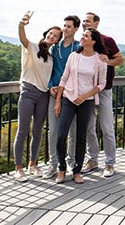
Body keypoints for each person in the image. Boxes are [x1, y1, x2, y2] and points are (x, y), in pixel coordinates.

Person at [54, 28, 107, 184]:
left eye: (86, 36)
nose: (82, 38)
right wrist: (58, 101)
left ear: (93, 41)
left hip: (87, 102)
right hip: (68, 99)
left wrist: (85, 96)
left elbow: (102, 84)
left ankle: (77, 171)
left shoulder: (99, 60)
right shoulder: (74, 56)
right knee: (61, 135)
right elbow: (64, 79)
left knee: (81, 137)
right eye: (83, 35)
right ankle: (61, 168)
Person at [14, 11, 62, 182]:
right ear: (46, 33)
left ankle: (32, 164)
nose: (52, 36)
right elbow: (22, 38)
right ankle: (18, 168)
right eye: (51, 33)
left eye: (56, 36)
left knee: (37, 131)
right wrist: (21, 25)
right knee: (23, 130)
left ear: (57, 40)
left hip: (43, 95)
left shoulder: (51, 57)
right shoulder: (32, 47)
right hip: (28, 92)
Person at [81, 12, 124, 178]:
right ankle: (92, 160)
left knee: (106, 127)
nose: (85, 23)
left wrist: (108, 61)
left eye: (88, 21)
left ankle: (109, 163)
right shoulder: (83, 42)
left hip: (104, 90)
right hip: (87, 91)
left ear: (97, 23)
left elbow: (120, 60)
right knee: (89, 127)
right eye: (83, 21)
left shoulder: (107, 40)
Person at [42, 15, 81, 179]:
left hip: (71, 96)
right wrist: (51, 86)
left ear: (76, 29)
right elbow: (49, 69)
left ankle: (71, 164)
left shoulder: (79, 47)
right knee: (53, 131)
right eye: (64, 26)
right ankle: (53, 164)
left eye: (69, 26)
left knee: (73, 132)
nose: (65, 29)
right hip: (54, 93)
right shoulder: (54, 48)